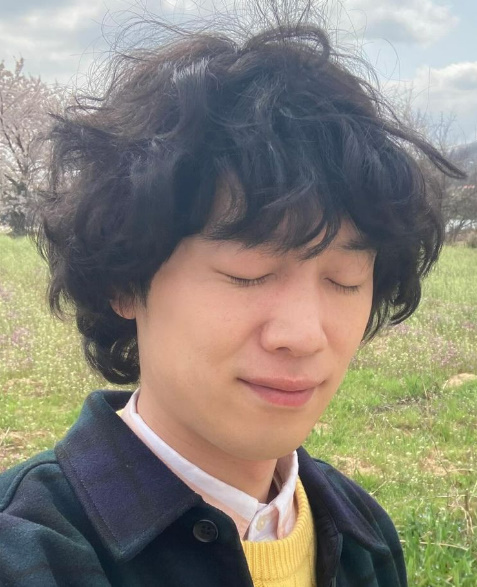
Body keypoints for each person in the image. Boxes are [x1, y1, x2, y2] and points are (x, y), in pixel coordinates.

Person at [0, 4, 463, 586]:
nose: (304, 335)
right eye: (249, 272)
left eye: (345, 279)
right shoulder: (32, 554)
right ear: (124, 280)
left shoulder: (363, 535)